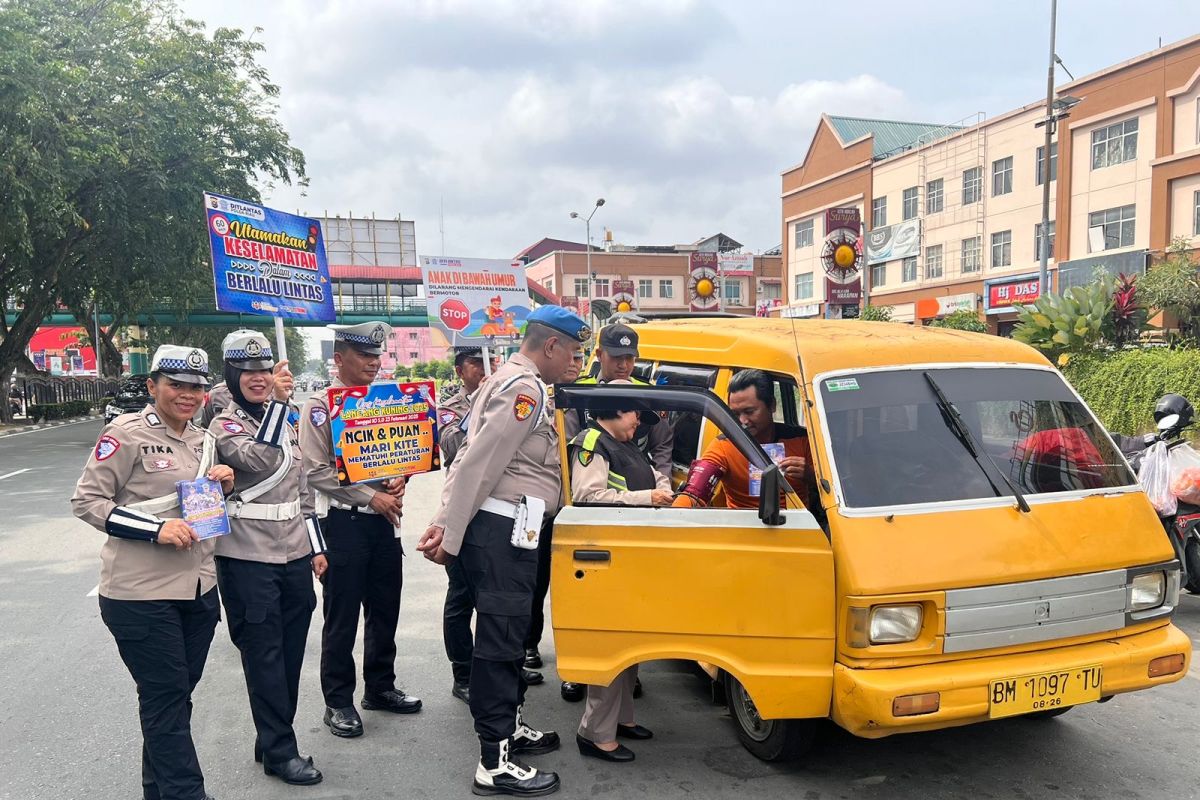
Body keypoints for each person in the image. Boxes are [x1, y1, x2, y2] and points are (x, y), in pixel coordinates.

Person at [417, 305, 589, 798]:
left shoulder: (512, 380)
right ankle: (493, 762)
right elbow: (478, 463)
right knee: (499, 640)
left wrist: (446, 521)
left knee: (511, 635)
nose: (575, 362)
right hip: (502, 527)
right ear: (550, 345)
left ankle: (510, 729)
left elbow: (472, 456)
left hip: (515, 525)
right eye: (573, 353)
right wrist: (448, 534)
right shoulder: (524, 388)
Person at [72, 345, 234, 800]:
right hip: (139, 595)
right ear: (152, 386)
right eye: (176, 385)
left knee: (175, 699)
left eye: (196, 387)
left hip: (199, 589)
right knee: (165, 697)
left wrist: (224, 484)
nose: (187, 395)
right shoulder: (124, 434)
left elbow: (200, 510)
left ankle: (156, 790)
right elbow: (86, 502)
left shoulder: (204, 440)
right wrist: (155, 530)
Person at [209, 331, 327, 786]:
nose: (258, 380)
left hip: (295, 554)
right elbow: (257, 460)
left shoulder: (287, 418)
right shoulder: (225, 424)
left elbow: (303, 494)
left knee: (291, 653)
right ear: (233, 375)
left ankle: (271, 735)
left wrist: (317, 549)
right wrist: (279, 405)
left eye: (264, 371)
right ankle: (280, 750)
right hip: (247, 557)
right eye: (248, 372)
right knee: (264, 655)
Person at [298, 321, 420, 739]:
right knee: (342, 617)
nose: (373, 363)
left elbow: (401, 451)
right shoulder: (320, 406)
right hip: (344, 523)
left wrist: (401, 478)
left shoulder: (383, 401)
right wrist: (372, 497)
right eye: (364, 356)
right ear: (338, 360)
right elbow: (315, 471)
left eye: (376, 356)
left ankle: (380, 687)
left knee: (385, 609)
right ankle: (338, 701)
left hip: (384, 525)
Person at [550, 324, 669, 701]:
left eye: (630, 358)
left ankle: (624, 672)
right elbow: (568, 454)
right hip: (591, 521)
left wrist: (659, 488)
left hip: (636, 521)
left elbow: (659, 449)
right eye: (616, 357)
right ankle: (576, 669)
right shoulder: (580, 393)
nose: (624, 365)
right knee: (582, 602)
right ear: (599, 355)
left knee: (625, 605)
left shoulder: (646, 397)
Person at [568, 386, 672, 763]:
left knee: (630, 647)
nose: (638, 423)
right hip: (604, 559)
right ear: (616, 409)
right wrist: (648, 498)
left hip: (629, 557)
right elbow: (587, 497)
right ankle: (594, 732)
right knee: (610, 649)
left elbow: (646, 476)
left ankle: (621, 720)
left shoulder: (624, 441)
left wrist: (661, 486)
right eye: (634, 415)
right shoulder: (593, 441)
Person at [439, 347, 543, 704]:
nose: (485, 368)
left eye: (490, 361)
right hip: (468, 509)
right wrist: (480, 412)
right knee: (462, 600)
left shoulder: (508, 388)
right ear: (459, 369)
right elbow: (458, 449)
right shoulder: (452, 405)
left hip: (506, 513)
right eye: (475, 363)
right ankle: (463, 671)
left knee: (500, 613)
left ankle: (505, 669)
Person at [674, 369, 812, 509]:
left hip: (797, 527)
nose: (742, 421)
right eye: (735, 414)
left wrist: (809, 474)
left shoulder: (802, 440)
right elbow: (695, 492)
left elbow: (831, 490)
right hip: (742, 527)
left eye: (749, 412)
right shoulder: (724, 445)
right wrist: (676, 517)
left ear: (772, 405)